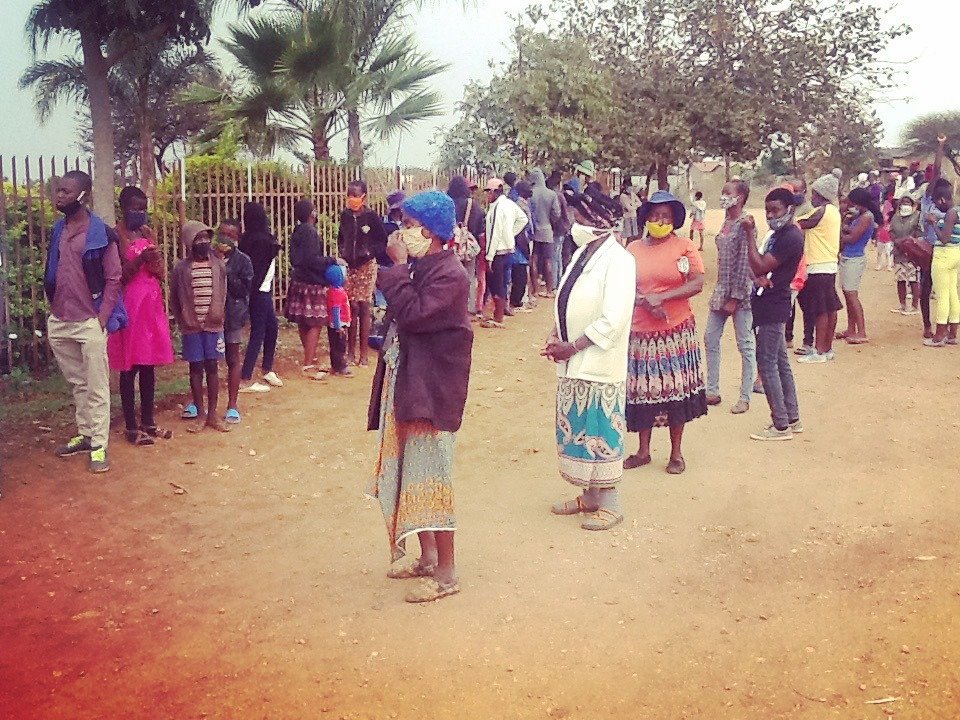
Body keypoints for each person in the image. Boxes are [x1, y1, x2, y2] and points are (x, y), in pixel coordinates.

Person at [366, 190, 473, 604]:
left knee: (432, 478)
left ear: (428, 233)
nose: (402, 232)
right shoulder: (425, 267)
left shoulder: (450, 276)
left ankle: (446, 572)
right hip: (412, 386)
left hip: (433, 394)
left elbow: (413, 313)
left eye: (409, 226)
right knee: (414, 474)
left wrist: (394, 269)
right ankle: (427, 556)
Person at [545, 197, 635, 531]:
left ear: (597, 221)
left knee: (600, 428)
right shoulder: (582, 254)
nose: (573, 221)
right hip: (572, 360)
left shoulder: (620, 261)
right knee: (580, 427)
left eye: (578, 216)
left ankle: (610, 502)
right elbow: (566, 298)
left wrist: (572, 346)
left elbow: (613, 319)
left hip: (597, 361)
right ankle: (591, 496)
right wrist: (556, 334)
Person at [624, 191, 707, 475]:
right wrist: (644, 301)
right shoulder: (632, 248)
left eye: (666, 217)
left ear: (674, 220)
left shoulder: (684, 247)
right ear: (646, 218)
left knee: (674, 392)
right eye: (655, 215)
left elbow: (697, 283)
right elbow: (622, 285)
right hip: (640, 332)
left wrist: (665, 298)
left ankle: (676, 453)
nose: (660, 221)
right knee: (642, 392)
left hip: (675, 332)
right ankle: (643, 450)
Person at [44, 170, 122, 473]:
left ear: (82, 195)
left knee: (97, 386)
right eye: (58, 190)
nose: (59, 195)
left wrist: (101, 320)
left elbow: (114, 277)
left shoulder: (100, 232)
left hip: (89, 321)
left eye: (65, 191)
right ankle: (86, 435)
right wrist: (53, 309)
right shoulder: (57, 230)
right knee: (78, 383)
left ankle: (100, 445)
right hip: (61, 320)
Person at [107, 186, 175, 446]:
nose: (139, 213)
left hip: (151, 305)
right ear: (122, 207)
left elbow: (160, 272)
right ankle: (131, 427)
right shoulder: (116, 235)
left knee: (148, 365)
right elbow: (118, 275)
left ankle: (149, 421)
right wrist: (140, 260)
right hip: (130, 306)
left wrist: (154, 257)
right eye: (134, 208)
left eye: (143, 208)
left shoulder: (147, 233)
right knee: (130, 366)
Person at [746, 188, 804, 441]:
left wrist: (749, 235)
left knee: (767, 363)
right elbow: (760, 268)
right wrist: (758, 275)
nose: (770, 215)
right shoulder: (780, 234)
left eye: (775, 210)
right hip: (772, 302)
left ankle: (780, 424)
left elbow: (759, 264)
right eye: (767, 210)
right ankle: (791, 417)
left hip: (773, 305)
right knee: (780, 362)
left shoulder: (790, 237)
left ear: (789, 209)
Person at [170, 221, 230, 433]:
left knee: (212, 367)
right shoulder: (181, 269)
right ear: (189, 243)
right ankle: (201, 414)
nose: (204, 243)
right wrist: (183, 320)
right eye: (198, 239)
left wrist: (218, 316)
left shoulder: (219, 266)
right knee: (195, 368)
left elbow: (223, 293)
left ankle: (213, 415)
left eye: (206, 238)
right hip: (191, 327)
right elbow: (175, 299)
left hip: (214, 326)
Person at [704, 179, 756, 415]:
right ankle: (712, 390)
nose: (724, 196)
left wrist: (735, 298)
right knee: (710, 338)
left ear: (741, 197)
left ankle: (745, 396)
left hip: (739, 293)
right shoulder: (726, 222)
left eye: (728, 193)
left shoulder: (745, 224)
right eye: (723, 191)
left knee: (745, 344)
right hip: (721, 290)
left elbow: (745, 263)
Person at [286, 199, 340, 379]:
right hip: (312, 282)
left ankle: (310, 357)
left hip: (299, 279)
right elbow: (312, 259)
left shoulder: (297, 231)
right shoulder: (310, 232)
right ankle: (308, 363)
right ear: (312, 214)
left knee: (304, 321)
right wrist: (332, 260)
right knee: (317, 322)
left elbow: (296, 258)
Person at [338, 180, 387, 366]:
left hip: (367, 266)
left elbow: (382, 242)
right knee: (351, 307)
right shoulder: (345, 216)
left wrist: (369, 252)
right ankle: (351, 352)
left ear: (364, 196)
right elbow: (341, 238)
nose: (352, 199)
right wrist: (343, 252)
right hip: (350, 266)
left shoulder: (372, 217)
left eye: (356, 195)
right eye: (350, 195)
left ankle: (364, 354)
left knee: (364, 306)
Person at [796, 174, 843, 364]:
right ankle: (827, 348)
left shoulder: (821, 212)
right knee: (830, 308)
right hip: (828, 264)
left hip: (817, 265)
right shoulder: (834, 211)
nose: (811, 198)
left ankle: (819, 350)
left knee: (820, 310)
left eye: (814, 194)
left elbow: (798, 223)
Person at [213, 220, 254, 424]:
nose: (225, 239)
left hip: (233, 316)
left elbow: (244, 290)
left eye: (230, 235)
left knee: (233, 358)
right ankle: (201, 405)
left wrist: (224, 270)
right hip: (210, 317)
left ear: (237, 239)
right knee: (206, 361)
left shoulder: (243, 261)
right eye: (222, 233)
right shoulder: (207, 256)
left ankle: (232, 404)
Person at [238, 201, 283, 391]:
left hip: (260, 290)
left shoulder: (247, 239)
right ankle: (245, 377)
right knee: (259, 331)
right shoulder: (261, 241)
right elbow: (258, 266)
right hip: (259, 292)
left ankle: (266, 368)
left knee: (271, 327)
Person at [837, 187, 880, 344]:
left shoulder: (866, 217)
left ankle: (861, 331)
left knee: (852, 295)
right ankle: (851, 329)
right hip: (849, 257)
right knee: (848, 294)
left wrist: (840, 232)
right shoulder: (860, 216)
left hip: (854, 258)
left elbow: (852, 238)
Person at [482, 178, 527, 328]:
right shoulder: (508, 204)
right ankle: (499, 314)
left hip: (497, 251)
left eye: (488, 191)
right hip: (508, 249)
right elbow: (523, 219)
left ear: (495, 191)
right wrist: (510, 234)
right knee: (503, 281)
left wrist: (489, 256)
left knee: (496, 283)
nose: (487, 195)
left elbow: (495, 232)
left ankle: (498, 316)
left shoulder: (497, 208)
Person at [918, 136, 949, 339]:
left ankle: (940, 325)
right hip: (930, 250)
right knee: (926, 288)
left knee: (942, 291)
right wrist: (940, 146)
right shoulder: (929, 199)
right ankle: (928, 325)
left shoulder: (949, 209)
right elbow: (936, 172)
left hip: (942, 252)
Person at [926, 185, 960, 347]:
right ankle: (952, 333)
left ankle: (939, 335)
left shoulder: (951, 213)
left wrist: (933, 223)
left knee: (942, 295)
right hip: (955, 254)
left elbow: (944, 238)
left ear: (942, 199)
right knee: (952, 294)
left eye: (937, 203)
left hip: (944, 255)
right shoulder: (957, 211)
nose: (937, 206)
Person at [447, 176, 485, 315]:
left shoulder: (448, 204)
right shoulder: (473, 205)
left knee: (451, 277)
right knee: (469, 276)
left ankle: (452, 308)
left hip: (451, 246)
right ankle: (468, 308)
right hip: (469, 245)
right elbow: (481, 227)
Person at [529, 169, 562, 296]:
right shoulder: (551, 194)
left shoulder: (531, 194)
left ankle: (536, 290)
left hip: (534, 231)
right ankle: (549, 290)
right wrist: (551, 222)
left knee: (534, 259)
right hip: (547, 230)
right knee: (549, 260)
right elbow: (556, 213)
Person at [889, 196, 922, 316]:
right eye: (903, 202)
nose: (905, 205)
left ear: (912, 204)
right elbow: (891, 231)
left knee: (913, 279)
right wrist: (896, 241)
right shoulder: (896, 217)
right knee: (900, 279)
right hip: (899, 253)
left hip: (912, 254)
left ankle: (914, 306)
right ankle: (902, 305)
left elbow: (918, 232)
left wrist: (908, 241)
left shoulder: (917, 216)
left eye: (908, 202)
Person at [547, 171, 573, 283]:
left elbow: (557, 214)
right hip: (562, 228)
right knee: (557, 256)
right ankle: (558, 281)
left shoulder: (555, 195)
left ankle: (554, 283)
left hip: (557, 229)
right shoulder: (559, 195)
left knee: (554, 256)